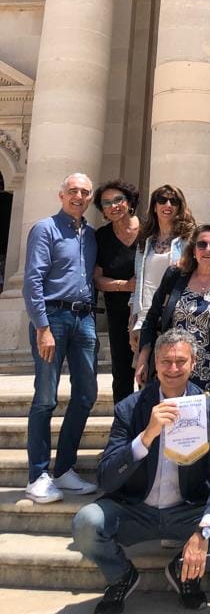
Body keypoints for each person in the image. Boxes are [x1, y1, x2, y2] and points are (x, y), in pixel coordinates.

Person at [72, 327, 210, 614]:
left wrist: (203, 531)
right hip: (136, 510)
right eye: (166, 362)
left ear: (193, 364)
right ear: (155, 364)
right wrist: (146, 437)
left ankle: (184, 570)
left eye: (181, 361)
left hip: (187, 510)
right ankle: (121, 577)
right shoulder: (129, 408)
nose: (173, 369)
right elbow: (106, 478)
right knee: (86, 523)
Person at [22, 172, 99, 504]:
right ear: (61, 195)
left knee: (86, 394)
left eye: (84, 192)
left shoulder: (91, 235)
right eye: (73, 191)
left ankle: (64, 469)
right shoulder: (45, 229)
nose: (78, 196)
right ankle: (37, 475)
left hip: (85, 319)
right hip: (52, 318)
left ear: (90, 197)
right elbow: (32, 280)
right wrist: (42, 327)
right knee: (45, 398)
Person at [135, 224, 210, 413]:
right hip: (173, 374)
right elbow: (152, 318)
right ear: (193, 250)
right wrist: (143, 358)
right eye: (202, 244)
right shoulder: (175, 276)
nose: (208, 249)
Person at [130, 184, 195, 348]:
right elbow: (138, 283)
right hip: (145, 316)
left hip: (175, 315)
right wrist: (133, 318)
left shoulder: (189, 240)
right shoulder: (144, 241)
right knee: (142, 363)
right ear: (154, 206)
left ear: (180, 207)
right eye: (162, 200)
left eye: (174, 201)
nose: (168, 205)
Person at [93, 180, 140, 404]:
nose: (114, 206)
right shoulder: (101, 236)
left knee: (152, 370)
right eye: (106, 203)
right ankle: (123, 421)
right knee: (121, 373)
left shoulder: (149, 230)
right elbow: (97, 279)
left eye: (118, 200)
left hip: (149, 312)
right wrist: (124, 285)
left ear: (129, 202)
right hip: (118, 313)